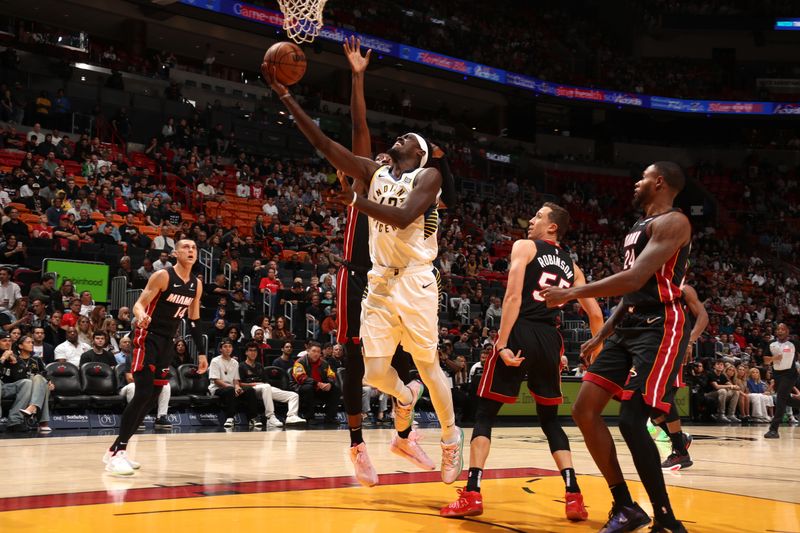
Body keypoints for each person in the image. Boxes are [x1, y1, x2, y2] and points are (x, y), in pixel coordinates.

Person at [268, 40, 463, 485]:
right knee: (375, 371)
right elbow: (325, 140)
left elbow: (400, 214)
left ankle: (451, 439)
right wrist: (284, 94)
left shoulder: (426, 177)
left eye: (405, 140)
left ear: (420, 153)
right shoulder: (371, 173)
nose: (394, 140)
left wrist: (356, 199)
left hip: (414, 281)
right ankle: (403, 400)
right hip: (375, 278)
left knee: (429, 366)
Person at [542, 161, 691, 532]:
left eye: (642, 177)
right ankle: (625, 505)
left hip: (660, 326)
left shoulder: (674, 221)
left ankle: (666, 518)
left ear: (659, 182)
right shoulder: (638, 228)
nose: (636, 182)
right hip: (628, 325)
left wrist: (572, 292)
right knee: (584, 410)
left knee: (630, 419)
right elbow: (630, 292)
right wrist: (602, 334)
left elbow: (636, 277)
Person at [441, 203, 602, 521]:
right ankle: (573, 496)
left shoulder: (525, 246)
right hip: (549, 340)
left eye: (539, 216)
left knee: (485, 413)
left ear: (553, 227)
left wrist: (501, 342)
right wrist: (597, 353)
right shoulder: (572, 265)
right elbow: (595, 314)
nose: (530, 220)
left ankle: (472, 493)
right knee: (550, 420)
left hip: (520, 331)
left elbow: (513, 297)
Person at [333, 37, 422, 486]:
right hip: (355, 275)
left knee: (412, 360)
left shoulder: (413, 192)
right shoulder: (365, 178)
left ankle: (403, 435)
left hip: (395, 279)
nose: (383, 155)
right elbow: (359, 126)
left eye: (391, 153)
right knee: (354, 356)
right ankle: (357, 445)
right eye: (378, 154)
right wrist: (358, 76)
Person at [104, 239, 207, 476]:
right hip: (146, 337)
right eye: (185, 247)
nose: (191, 251)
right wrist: (140, 316)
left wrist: (201, 352)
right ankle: (118, 451)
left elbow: (194, 321)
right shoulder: (163, 276)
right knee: (142, 392)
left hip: (167, 342)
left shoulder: (196, 284)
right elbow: (139, 304)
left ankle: (115, 450)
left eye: (194, 248)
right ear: (175, 253)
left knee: (154, 396)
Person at [652, 283, 708, 471]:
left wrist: (690, 340)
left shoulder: (683, 288)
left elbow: (703, 317)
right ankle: (680, 440)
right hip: (651, 348)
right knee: (651, 407)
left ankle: (680, 452)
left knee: (664, 398)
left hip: (672, 349)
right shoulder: (650, 282)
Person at [239, 342, 305, 427]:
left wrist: (264, 384)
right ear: (246, 352)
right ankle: (270, 417)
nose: (253, 353)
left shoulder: (259, 365)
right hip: (251, 390)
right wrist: (255, 383)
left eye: (255, 351)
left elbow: (266, 381)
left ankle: (291, 416)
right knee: (266, 387)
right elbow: (240, 384)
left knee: (293, 395)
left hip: (265, 388)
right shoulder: (241, 366)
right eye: (250, 350)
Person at [209, 339, 260, 428]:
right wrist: (232, 388)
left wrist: (237, 387)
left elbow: (236, 380)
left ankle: (253, 418)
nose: (228, 349)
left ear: (232, 349)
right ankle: (230, 418)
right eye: (225, 347)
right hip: (217, 388)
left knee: (250, 390)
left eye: (230, 347)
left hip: (232, 388)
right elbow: (216, 380)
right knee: (230, 390)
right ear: (220, 349)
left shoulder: (235, 362)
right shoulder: (215, 361)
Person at [290, 341, 340, 423]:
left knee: (336, 389)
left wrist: (329, 384)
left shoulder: (324, 363)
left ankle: (330, 417)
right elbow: (301, 378)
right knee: (308, 388)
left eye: (318, 352)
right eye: (313, 351)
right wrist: (317, 383)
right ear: (308, 351)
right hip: (301, 388)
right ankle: (309, 417)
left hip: (318, 388)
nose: (316, 354)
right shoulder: (300, 362)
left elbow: (331, 375)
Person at [764, 323, 799, 439]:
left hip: (790, 374)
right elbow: (765, 361)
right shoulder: (771, 344)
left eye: (783, 329)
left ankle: (773, 429)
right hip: (777, 374)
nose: (780, 331)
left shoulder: (794, 343)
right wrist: (774, 358)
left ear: (787, 331)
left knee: (780, 399)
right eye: (778, 329)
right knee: (785, 399)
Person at [0, 331, 33, 432]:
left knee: (27, 383)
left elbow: (21, 377)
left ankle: (15, 421)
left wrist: (15, 364)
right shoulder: (4, 356)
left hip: (6, 388)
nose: (7, 343)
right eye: (4, 340)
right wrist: (2, 358)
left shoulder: (14, 357)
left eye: (9, 341)